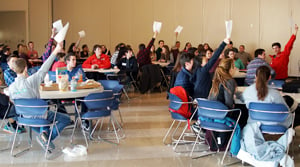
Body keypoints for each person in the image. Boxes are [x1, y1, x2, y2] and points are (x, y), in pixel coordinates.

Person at [8, 41, 70, 151]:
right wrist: (55, 51)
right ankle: (47, 137)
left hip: (24, 118)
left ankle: (44, 134)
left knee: (43, 119)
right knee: (66, 119)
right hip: (40, 116)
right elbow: (44, 67)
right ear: (26, 68)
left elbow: (13, 101)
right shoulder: (31, 81)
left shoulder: (11, 88)